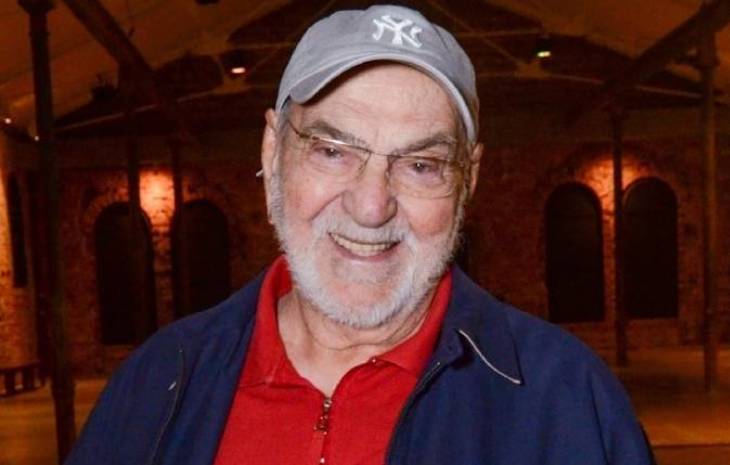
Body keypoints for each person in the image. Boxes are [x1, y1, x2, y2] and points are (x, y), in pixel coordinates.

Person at [66, 5, 653, 465]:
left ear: (468, 179)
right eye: (332, 151)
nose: (371, 207)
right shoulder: (160, 381)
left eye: (420, 165)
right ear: (272, 153)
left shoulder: (569, 400)